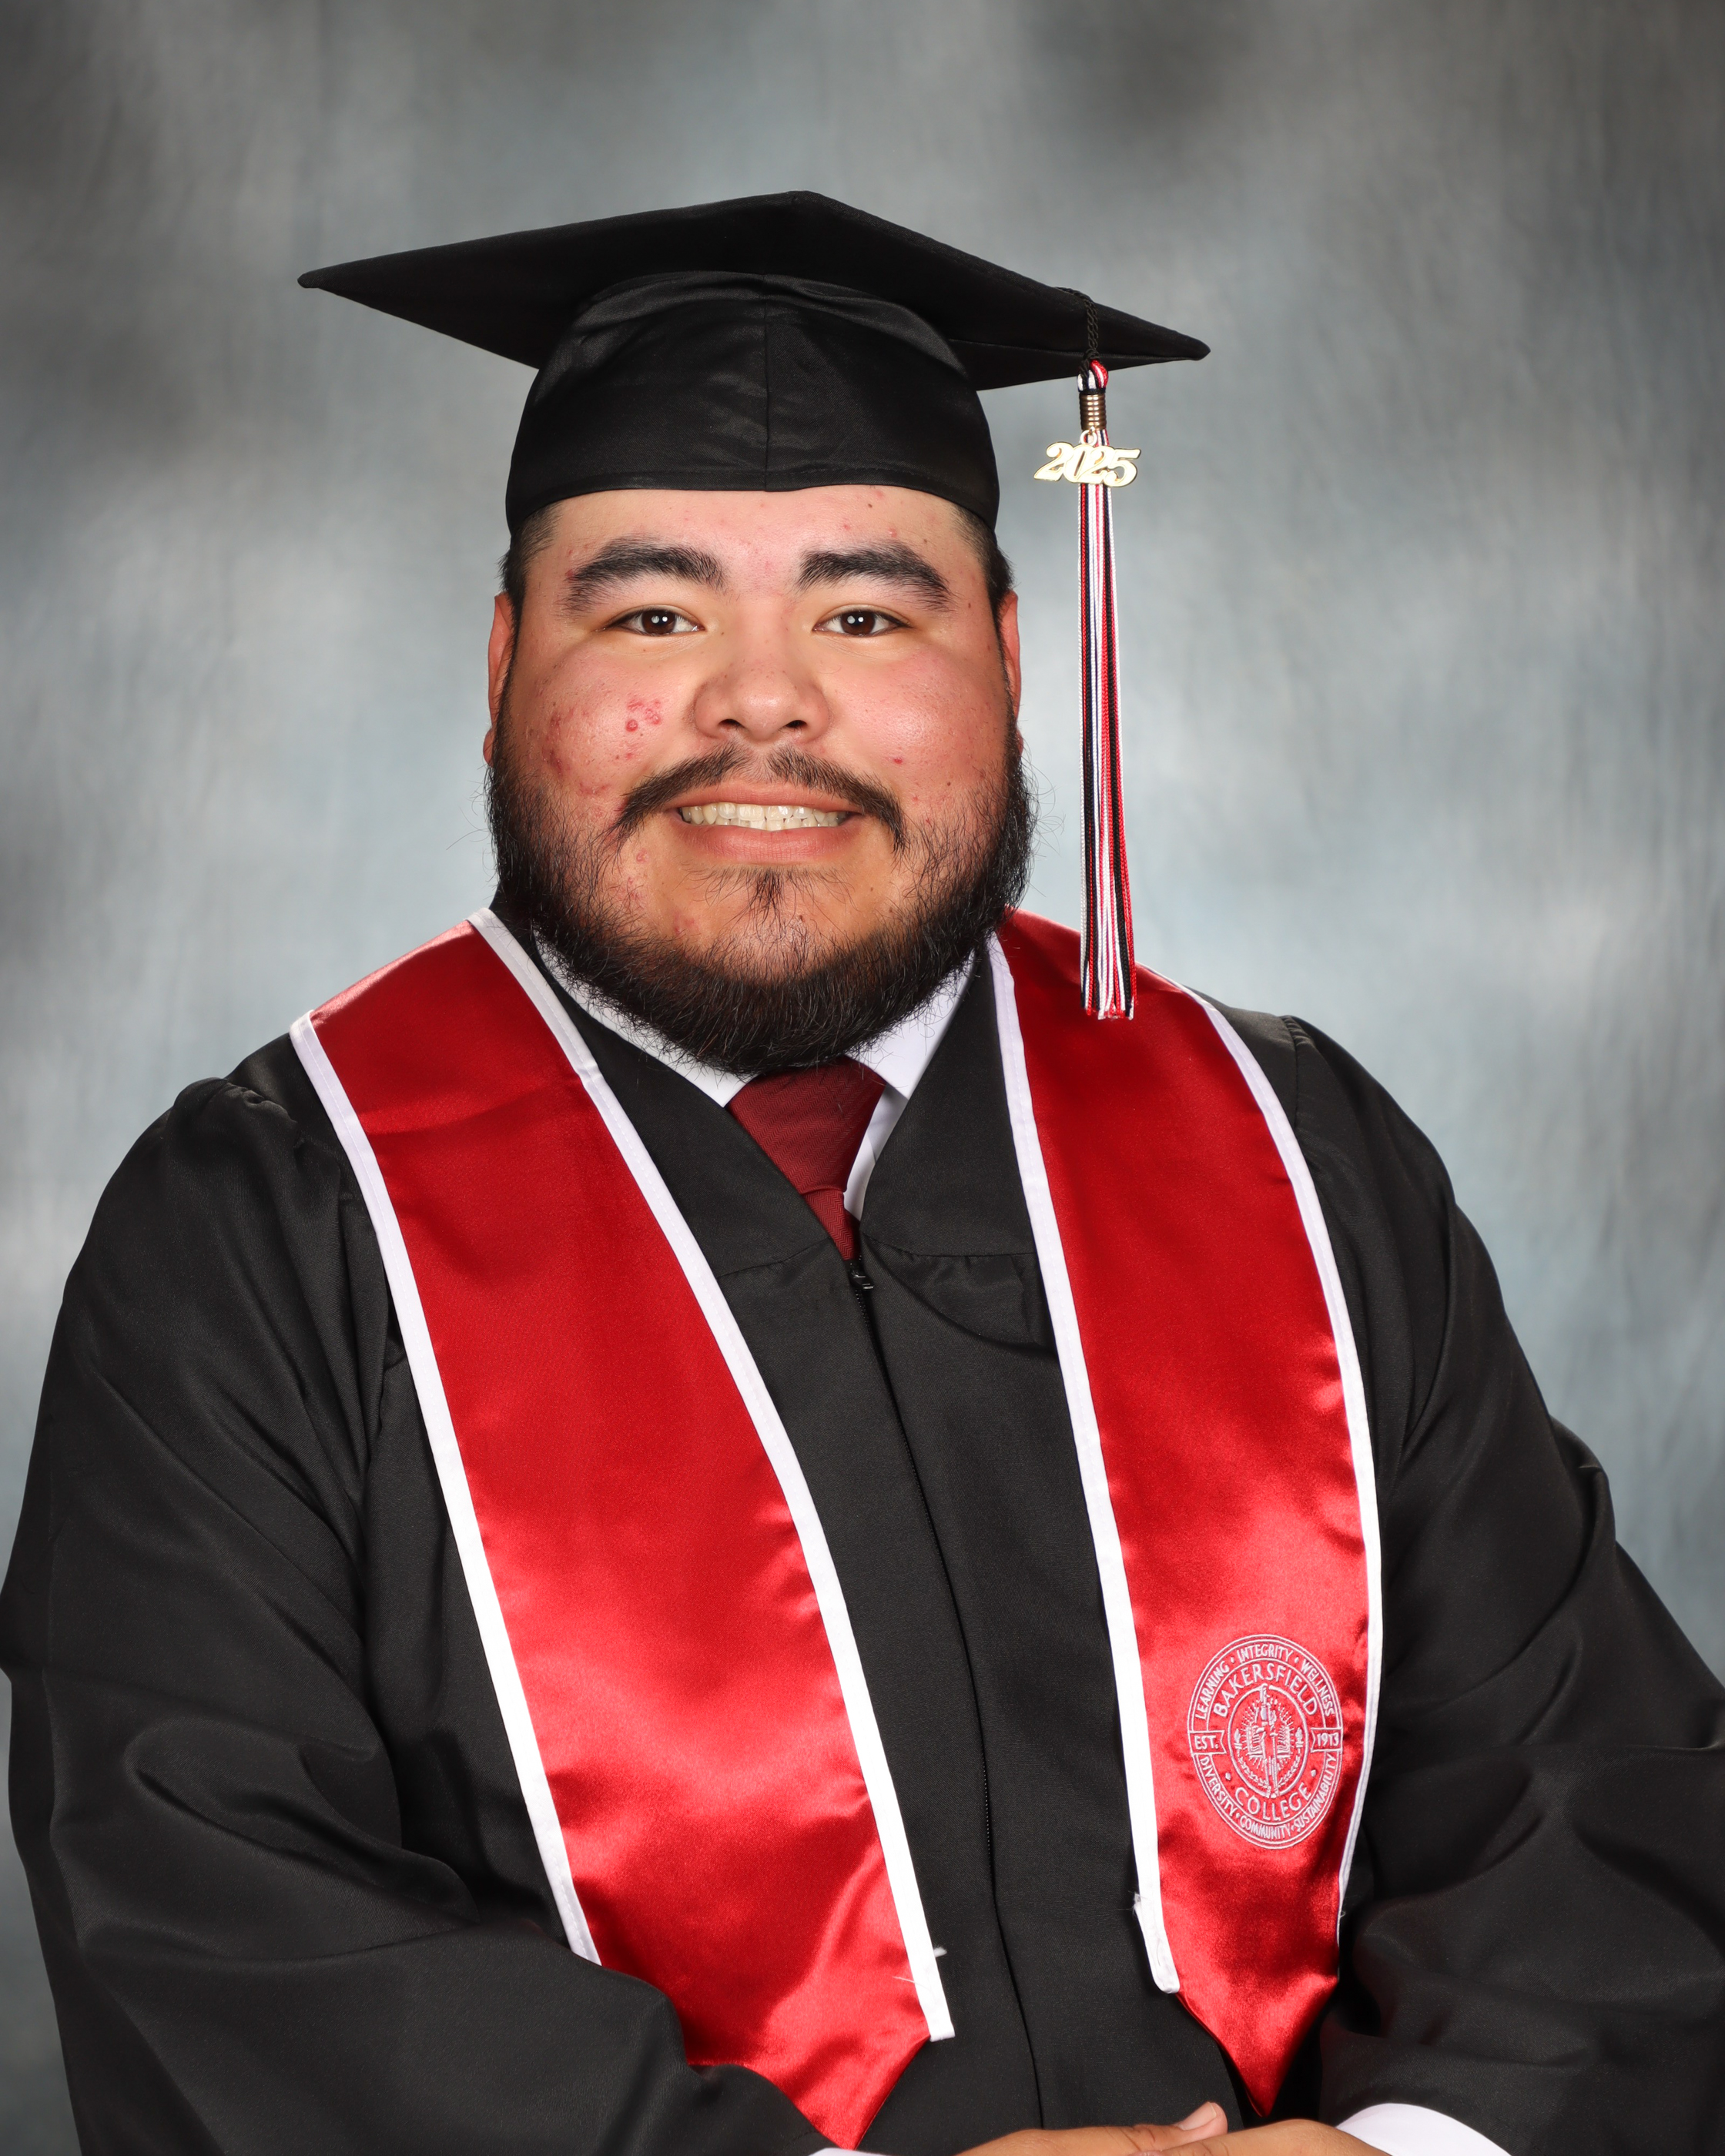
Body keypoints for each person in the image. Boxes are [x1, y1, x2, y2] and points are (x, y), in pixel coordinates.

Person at [4, 192, 1720, 2156]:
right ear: (500, 662)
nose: (763, 701)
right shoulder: (272, 1229)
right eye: (653, 614)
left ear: (1011, 655)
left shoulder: (1296, 1156)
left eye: (865, 612)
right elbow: (230, 1931)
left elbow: (1591, 1790)